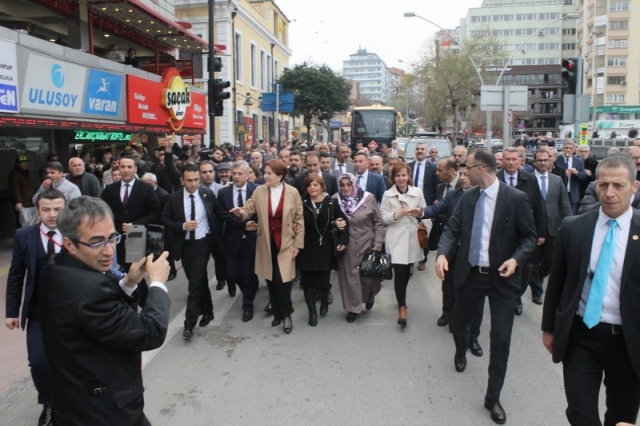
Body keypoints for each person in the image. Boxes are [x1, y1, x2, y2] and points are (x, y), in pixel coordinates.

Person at [41, 196, 170, 425]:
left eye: (112, 238)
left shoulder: (57, 267)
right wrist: (158, 283)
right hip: (104, 411)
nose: (109, 250)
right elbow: (150, 332)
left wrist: (129, 283)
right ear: (69, 244)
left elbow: (103, 318)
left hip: (77, 403)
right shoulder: (89, 289)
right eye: (96, 242)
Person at [436, 149, 537, 425]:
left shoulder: (516, 199)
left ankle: (493, 398)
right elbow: (452, 230)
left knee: (501, 340)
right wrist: (442, 254)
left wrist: (516, 260)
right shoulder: (468, 198)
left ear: (481, 169)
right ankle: (460, 349)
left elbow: (530, 238)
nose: (463, 173)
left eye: (466, 168)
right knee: (459, 323)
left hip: (502, 280)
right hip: (470, 275)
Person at [542, 155, 640, 426]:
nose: (609, 193)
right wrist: (549, 327)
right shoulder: (575, 227)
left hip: (628, 342)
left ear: (634, 187)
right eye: (603, 184)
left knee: (621, 417)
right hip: (582, 337)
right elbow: (558, 282)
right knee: (580, 414)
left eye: (618, 186)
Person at [5, 189, 66, 426]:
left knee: (71, 361)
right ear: (37, 210)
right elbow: (15, 276)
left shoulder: (76, 233)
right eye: (46, 209)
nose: (52, 215)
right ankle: (49, 403)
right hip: (38, 313)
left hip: (70, 312)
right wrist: (11, 311)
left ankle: (72, 402)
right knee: (39, 362)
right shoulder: (24, 235)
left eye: (57, 209)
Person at [231, 159, 304, 334]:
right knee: (271, 280)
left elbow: (299, 219)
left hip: (286, 242)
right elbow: (248, 208)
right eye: (264, 173)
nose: (265, 176)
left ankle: (286, 315)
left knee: (284, 281)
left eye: (269, 173)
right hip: (266, 242)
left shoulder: (292, 193)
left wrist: (298, 244)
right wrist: (240, 213)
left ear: (280, 176)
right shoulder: (259, 191)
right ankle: (277, 313)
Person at [162, 163, 231, 338]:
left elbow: (221, 213)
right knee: (198, 280)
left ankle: (189, 323)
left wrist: (242, 221)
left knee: (194, 284)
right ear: (182, 180)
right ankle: (208, 311)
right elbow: (165, 221)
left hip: (203, 244)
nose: (193, 184)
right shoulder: (174, 198)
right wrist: (182, 226)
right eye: (189, 180)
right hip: (184, 246)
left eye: (196, 180)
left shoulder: (206, 194)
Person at [100, 156, 161, 306]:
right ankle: (131, 302)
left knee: (135, 271)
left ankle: (143, 303)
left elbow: (155, 212)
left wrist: (135, 224)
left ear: (135, 169)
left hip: (137, 236)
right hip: (116, 238)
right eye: (122, 167)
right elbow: (103, 211)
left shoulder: (145, 189)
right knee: (120, 272)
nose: (126, 170)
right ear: (118, 169)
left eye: (129, 167)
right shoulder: (110, 190)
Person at [497, 147, 547, 315]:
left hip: (525, 231)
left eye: (514, 159)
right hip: (502, 232)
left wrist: (540, 232)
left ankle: (517, 295)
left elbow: (539, 206)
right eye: (507, 159)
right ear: (502, 160)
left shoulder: (530, 180)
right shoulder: (495, 179)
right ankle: (506, 296)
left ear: (520, 161)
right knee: (504, 264)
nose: (510, 162)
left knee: (525, 268)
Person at [333, 173, 385, 323]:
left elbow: (378, 222)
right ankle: (353, 308)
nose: (346, 188)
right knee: (350, 279)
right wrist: (335, 223)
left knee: (368, 278)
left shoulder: (368, 198)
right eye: (342, 185)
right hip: (347, 245)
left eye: (349, 184)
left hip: (367, 243)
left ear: (354, 184)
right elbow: (331, 219)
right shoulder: (336, 199)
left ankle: (370, 295)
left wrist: (378, 243)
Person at [298, 173, 348, 326]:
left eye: (315, 185)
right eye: (309, 185)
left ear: (322, 186)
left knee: (323, 282)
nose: (312, 188)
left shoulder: (331, 202)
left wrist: (343, 241)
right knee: (307, 283)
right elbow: (295, 220)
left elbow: (344, 222)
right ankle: (312, 311)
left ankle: (324, 301)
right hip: (306, 247)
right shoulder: (302, 202)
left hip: (325, 246)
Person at [380, 164, 426, 327]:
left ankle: (401, 297)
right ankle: (402, 307)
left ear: (408, 176)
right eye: (398, 175)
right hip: (396, 237)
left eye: (404, 175)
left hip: (412, 237)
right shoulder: (388, 194)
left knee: (407, 272)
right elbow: (383, 217)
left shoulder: (417, 192)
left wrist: (418, 212)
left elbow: (424, 211)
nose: (401, 178)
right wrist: (396, 215)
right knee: (399, 271)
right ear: (393, 177)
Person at [214, 161, 260, 322]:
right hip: (231, 240)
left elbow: (259, 215)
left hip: (251, 240)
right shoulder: (224, 194)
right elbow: (221, 217)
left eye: (240, 174)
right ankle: (250, 287)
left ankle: (248, 305)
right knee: (233, 273)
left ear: (248, 175)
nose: (236, 176)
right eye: (234, 173)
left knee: (248, 273)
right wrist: (219, 239)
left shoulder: (256, 191)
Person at [529, 149, 572, 304]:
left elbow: (564, 204)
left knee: (551, 260)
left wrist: (569, 224)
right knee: (533, 261)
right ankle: (536, 291)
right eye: (539, 160)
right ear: (534, 162)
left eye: (545, 160)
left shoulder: (556, 180)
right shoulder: (527, 180)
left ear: (550, 161)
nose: (543, 163)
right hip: (532, 228)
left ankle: (538, 277)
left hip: (553, 227)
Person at [408, 141, 440, 270]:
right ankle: (410, 261)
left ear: (426, 152)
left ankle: (423, 259)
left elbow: (437, 186)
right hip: (410, 203)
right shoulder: (409, 166)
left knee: (424, 232)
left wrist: (436, 202)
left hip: (426, 204)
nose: (420, 151)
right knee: (410, 233)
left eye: (422, 149)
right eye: (417, 149)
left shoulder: (432, 167)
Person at [555, 140, 587, 214]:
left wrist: (577, 173)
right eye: (566, 148)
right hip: (560, 192)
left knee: (571, 215)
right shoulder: (557, 160)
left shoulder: (579, 161)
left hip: (573, 193)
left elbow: (584, 177)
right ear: (563, 149)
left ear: (574, 150)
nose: (568, 150)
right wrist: (563, 174)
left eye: (570, 148)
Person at [9, 154, 35, 227]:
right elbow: (15, 189)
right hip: (22, 203)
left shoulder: (26, 173)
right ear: (17, 164)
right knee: (22, 222)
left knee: (30, 221)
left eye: (26, 162)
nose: (25, 164)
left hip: (29, 202)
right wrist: (18, 201)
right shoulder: (15, 174)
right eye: (22, 162)